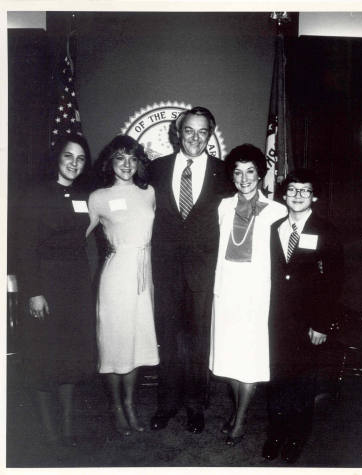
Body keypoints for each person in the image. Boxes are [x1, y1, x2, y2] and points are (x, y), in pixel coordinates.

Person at [149, 106, 233, 433]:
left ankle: (196, 407)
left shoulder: (225, 172)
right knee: (168, 339)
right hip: (166, 270)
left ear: (210, 135)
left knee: (198, 342)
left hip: (204, 272)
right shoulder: (155, 169)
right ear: (177, 132)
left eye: (202, 132)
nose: (195, 138)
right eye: (189, 131)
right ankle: (167, 405)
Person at [17, 133, 97, 446]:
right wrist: (34, 292)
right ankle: (50, 436)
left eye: (80, 158)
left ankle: (67, 430)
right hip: (44, 285)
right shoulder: (35, 194)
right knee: (42, 357)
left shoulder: (82, 195)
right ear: (57, 158)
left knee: (69, 357)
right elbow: (24, 248)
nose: (74, 163)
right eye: (68, 156)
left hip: (74, 286)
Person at [262, 168, 344, 463]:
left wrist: (321, 323)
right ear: (284, 195)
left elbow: (335, 281)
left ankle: (297, 437)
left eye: (304, 191)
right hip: (276, 321)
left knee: (302, 381)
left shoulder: (326, 230)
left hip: (308, 322)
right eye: (293, 190)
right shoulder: (274, 228)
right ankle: (276, 433)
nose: (298, 195)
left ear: (314, 196)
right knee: (276, 379)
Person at [209, 144, 287, 445]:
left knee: (250, 357)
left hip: (256, 293)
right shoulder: (223, 206)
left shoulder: (277, 210)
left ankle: (240, 420)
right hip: (227, 289)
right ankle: (237, 410)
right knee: (229, 356)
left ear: (260, 173)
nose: (244, 178)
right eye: (238, 172)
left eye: (250, 171)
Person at [87, 135, 159, 436]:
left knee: (136, 346)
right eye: (120, 158)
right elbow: (72, 236)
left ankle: (131, 405)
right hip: (116, 278)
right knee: (114, 345)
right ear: (110, 162)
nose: (126, 164)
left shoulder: (149, 192)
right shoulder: (98, 197)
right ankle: (117, 407)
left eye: (132, 158)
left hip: (144, 278)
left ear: (139, 161)